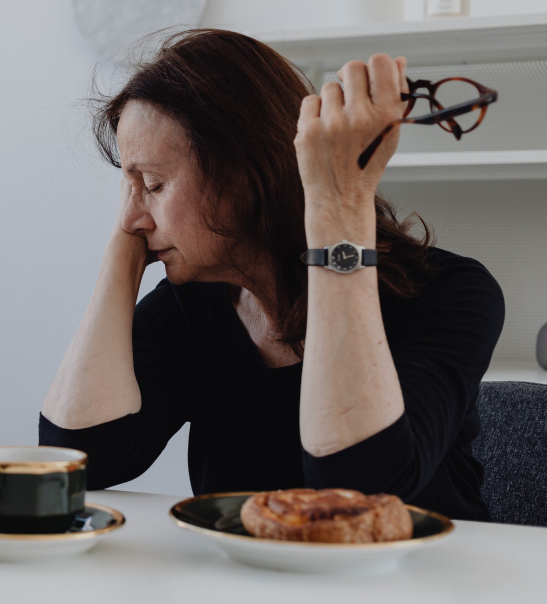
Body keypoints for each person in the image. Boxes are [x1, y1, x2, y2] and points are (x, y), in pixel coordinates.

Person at [38, 28, 504, 521]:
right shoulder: (190, 305)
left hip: (423, 586)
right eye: (130, 187)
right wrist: (122, 255)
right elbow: (81, 459)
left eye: (153, 183)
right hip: (252, 589)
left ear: (245, 176)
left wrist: (340, 202)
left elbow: (360, 488)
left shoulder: (449, 293)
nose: (133, 218)